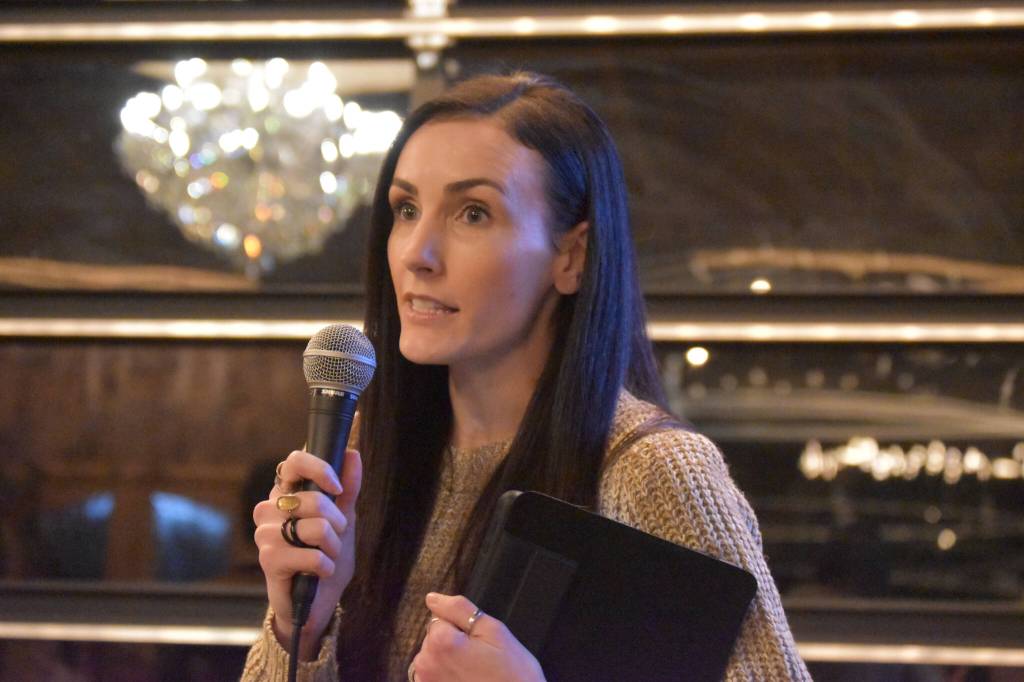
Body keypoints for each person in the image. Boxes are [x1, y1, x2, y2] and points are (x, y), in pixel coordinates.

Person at [242, 71, 810, 681]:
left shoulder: (654, 472)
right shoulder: (364, 458)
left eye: (473, 213)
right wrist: (300, 629)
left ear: (571, 257)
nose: (416, 253)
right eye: (406, 209)